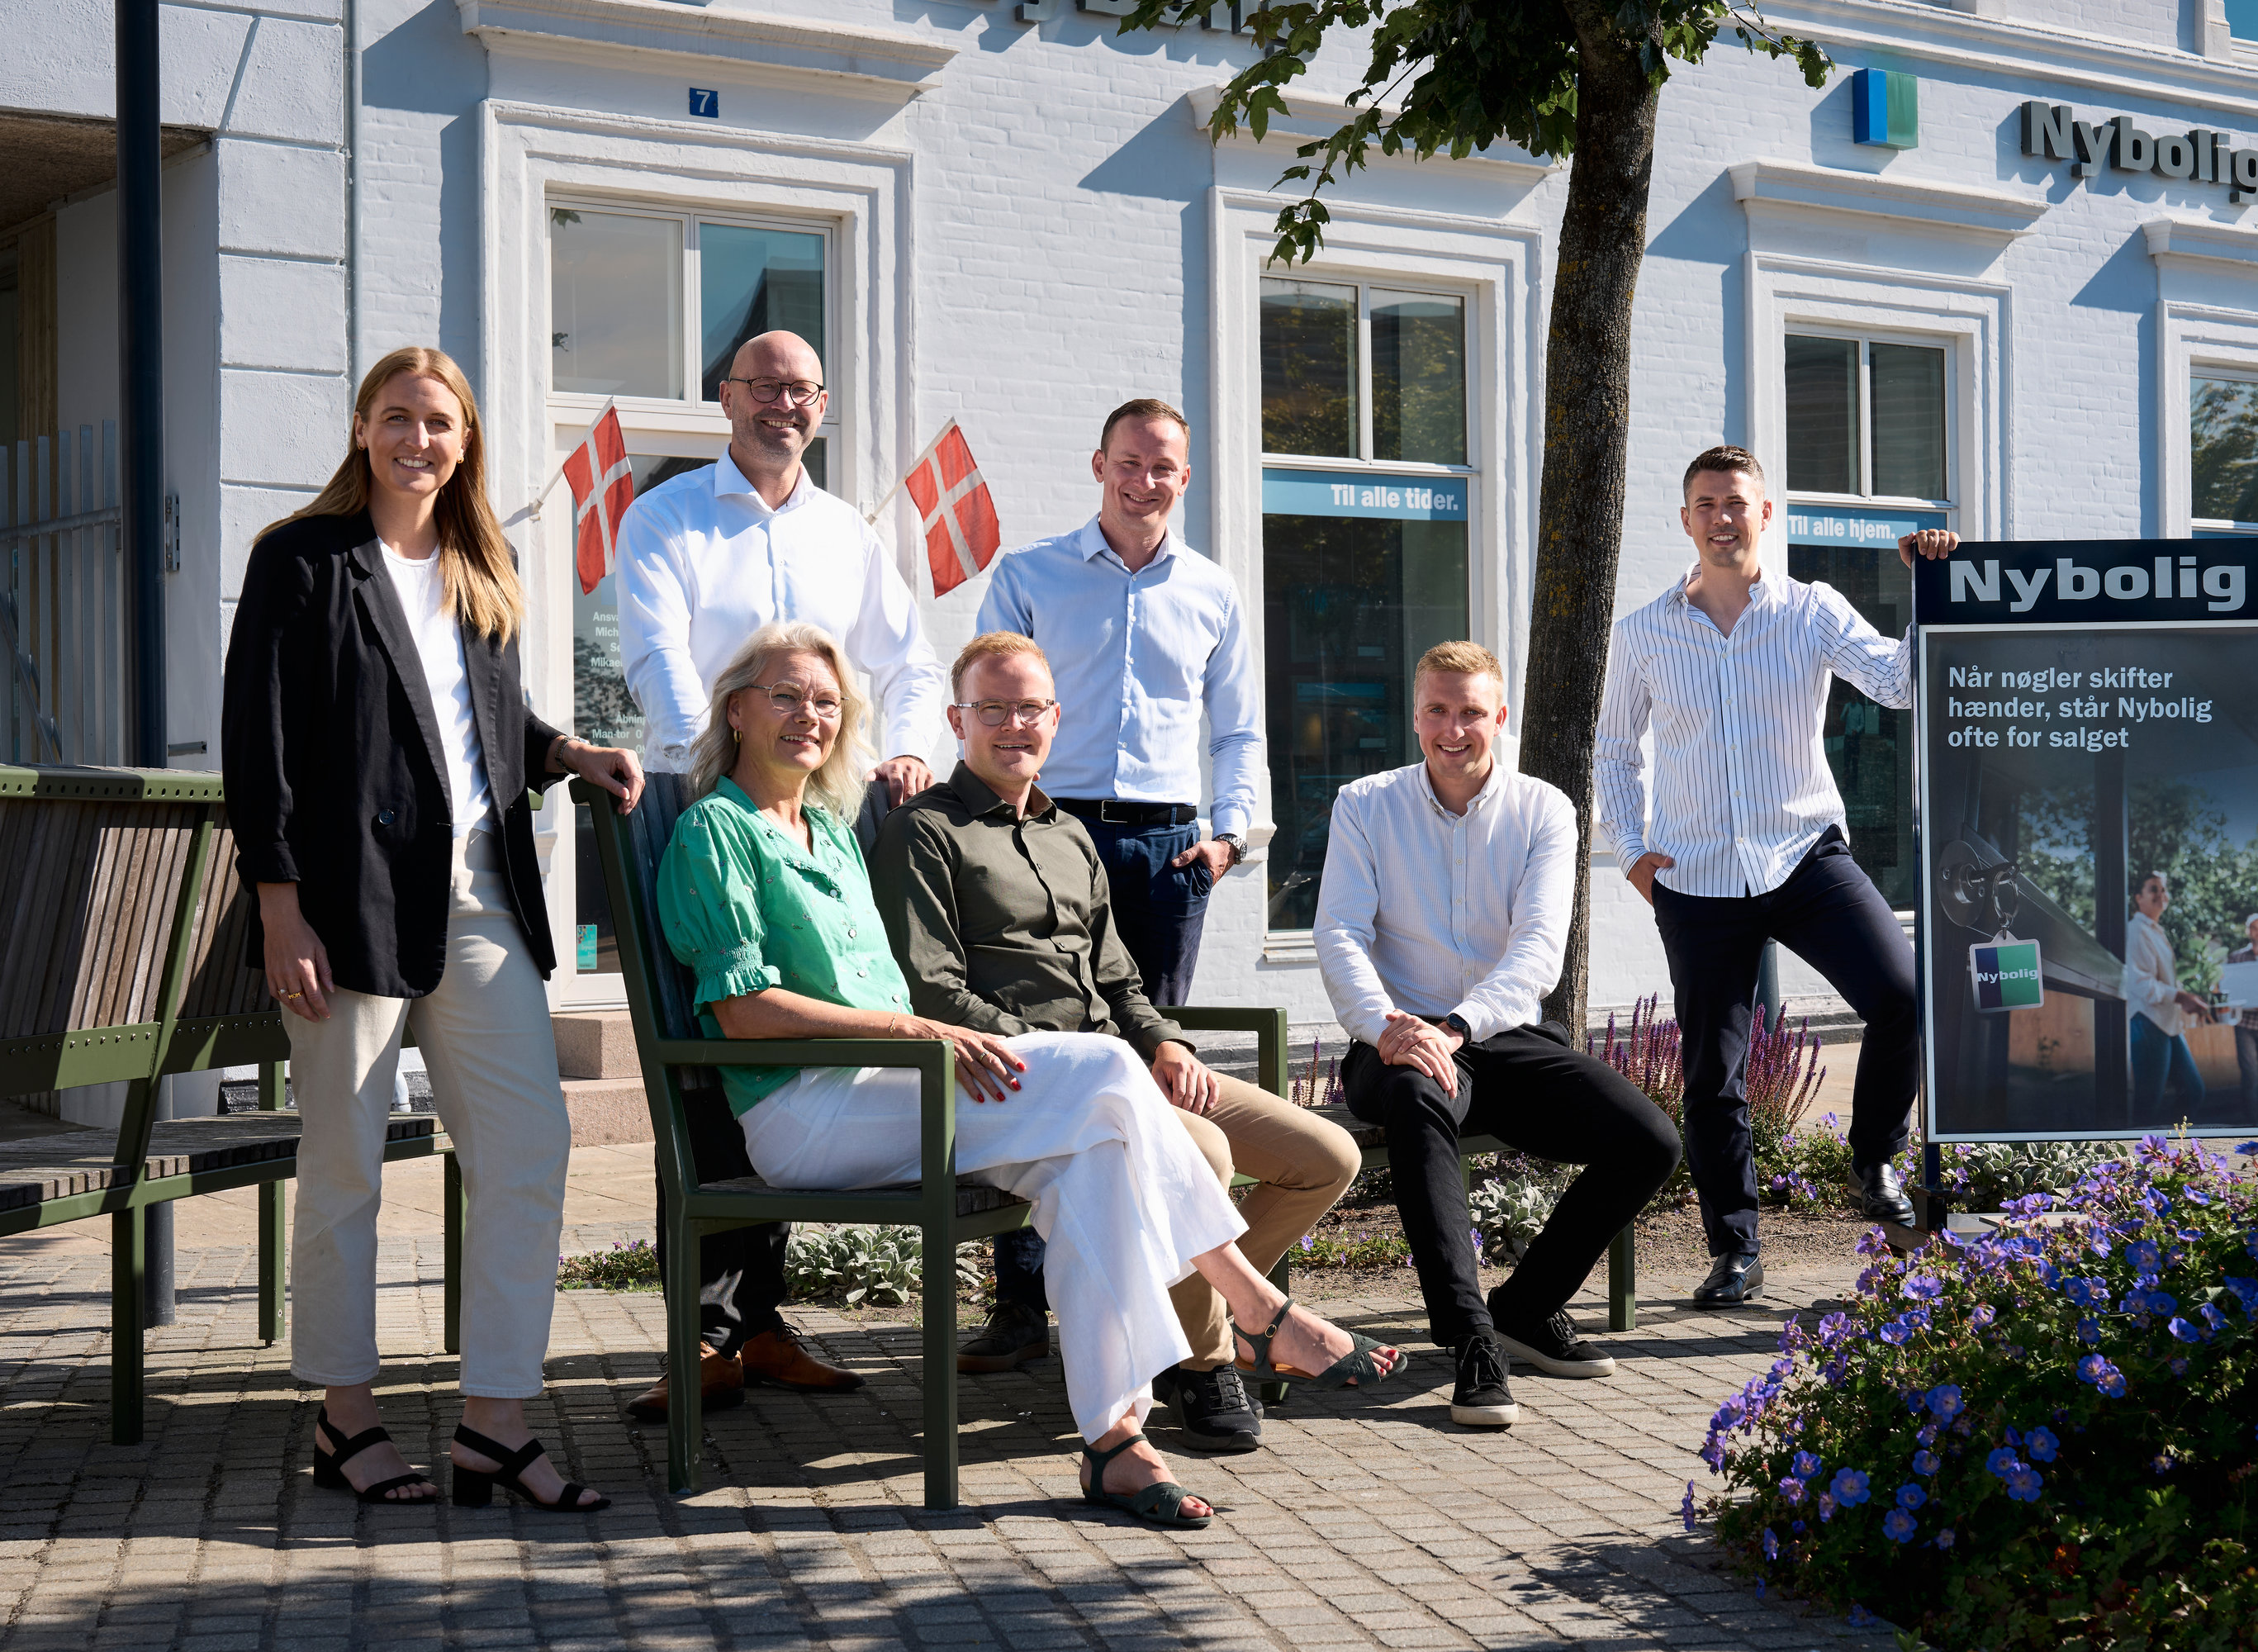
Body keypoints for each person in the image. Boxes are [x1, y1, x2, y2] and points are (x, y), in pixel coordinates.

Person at [655, 622, 1393, 1527]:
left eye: (824, 699)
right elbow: (743, 1009)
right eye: (784, 694)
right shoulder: (714, 830)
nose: (808, 714)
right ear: (736, 709)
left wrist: (1150, 1038)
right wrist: (912, 1027)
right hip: (806, 1109)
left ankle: (1118, 1441)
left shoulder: (834, 836)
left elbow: (1106, 978)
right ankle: (1256, 1306)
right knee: (1103, 1072)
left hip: (904, 1089)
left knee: (1098, 1167)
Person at [223, 346, 645, 1511]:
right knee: (348, 1159)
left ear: (465, 443)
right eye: (399, 418)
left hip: (478, 900)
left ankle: (495, 1424)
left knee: (529, 1150)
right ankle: (344, 1420)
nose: (421, 439)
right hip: (343, 903)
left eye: (441, 423)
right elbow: (255, 745)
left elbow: (492, 723)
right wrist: (278, 904)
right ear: (362, 430)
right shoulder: (303, 561)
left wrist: (569, 753)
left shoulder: (479, 564)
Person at [870, 632, 1372, 1453]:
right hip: (1029, 1084)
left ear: (1056, 719)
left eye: (1028, 707)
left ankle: (1181, 1315)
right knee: (1205, 1153)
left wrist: (1165, 1043)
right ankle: (1207, 1361)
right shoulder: (923, 832)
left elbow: (1122, 981)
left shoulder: (1071, 836)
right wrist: (1067, 1056)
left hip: (1125, 1060)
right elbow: (930, 986)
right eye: (991, 708)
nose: (1011, 724)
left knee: (1324, 1155)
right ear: (958, 720)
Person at [614, 329, 946, 1420]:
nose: (784, 406)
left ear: (821, 403)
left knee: (802, 1064)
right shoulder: (665, 515)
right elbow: (656, 655)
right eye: (765, 388)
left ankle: (758, 1327)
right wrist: (721, 765)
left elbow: (903, 658)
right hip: (694, 804)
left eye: (802, 391)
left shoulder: (846, 530)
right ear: (727, 398)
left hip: (814, 816)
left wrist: (901, 747)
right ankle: (700, 1338)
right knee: (710, 1068)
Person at [1592, 445, 1955, 1310]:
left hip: (1803, 855)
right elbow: (1612, 749)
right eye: (1706, 503)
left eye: (1737, 502)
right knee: (1714, 1077)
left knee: (1906, 995)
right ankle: (1737, 1250)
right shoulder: (1644, 632)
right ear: (1686, 520)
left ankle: (1872, 1156)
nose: (1723, 516)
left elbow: (1901, 685)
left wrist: (1929, 587)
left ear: (1766, 515)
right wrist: (1634, 852)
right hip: (1697, 875)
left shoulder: (1811, 611)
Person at [961, 400, 1264, 1377]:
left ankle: (1150, 1300)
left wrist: (1228, 840)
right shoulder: (1030, 574)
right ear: (1100, 464)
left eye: (1164, 467)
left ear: (1184, 476)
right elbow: (981, 699)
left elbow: (1239, 732)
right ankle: (1020, 1303)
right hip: (1052, 829)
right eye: (1129, 463)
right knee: (1037, 1051)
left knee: (1154, 1060)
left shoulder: (1214, 590)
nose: (1145, 481)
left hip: (1169, 850)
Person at [1316, 642, 1683, 1430]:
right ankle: (1471, 1338)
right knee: (1417, 1099)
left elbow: (1538, 953)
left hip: (1497, 1034)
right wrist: (1391, 1028)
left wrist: (1455, 1028)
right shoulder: (1365, 803)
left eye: (1471, 712)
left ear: (1500, 718)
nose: (1454, 730)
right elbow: (1340, 934)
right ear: (1417, 717)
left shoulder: (1545, 808)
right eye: (1438, 712)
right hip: (1390, 1041)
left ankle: (1524, 1306)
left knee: (1650, 1140)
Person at [2126, 871, 2211, 1113]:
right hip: (2148, 1023)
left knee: (2194, 1091)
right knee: (2148, 1103)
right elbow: (2141, 983)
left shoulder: (2154, 930)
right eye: (2153, 889)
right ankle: (2148, 1148)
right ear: (2138, 898)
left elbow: (2163, 980)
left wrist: (2189, 997)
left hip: (2166, 1024)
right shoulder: (2136, 930)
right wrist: (2181, 997)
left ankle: (2171, 1145)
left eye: (2163, 889)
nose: (2161, 894)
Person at [2226, 913, 2258, 1114]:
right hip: (2245, 1024)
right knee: (2250, 1076)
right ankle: (2251, 1120)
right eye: (2254, 927)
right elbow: (2230, 989)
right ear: (2248, 931)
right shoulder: (2236, 958)